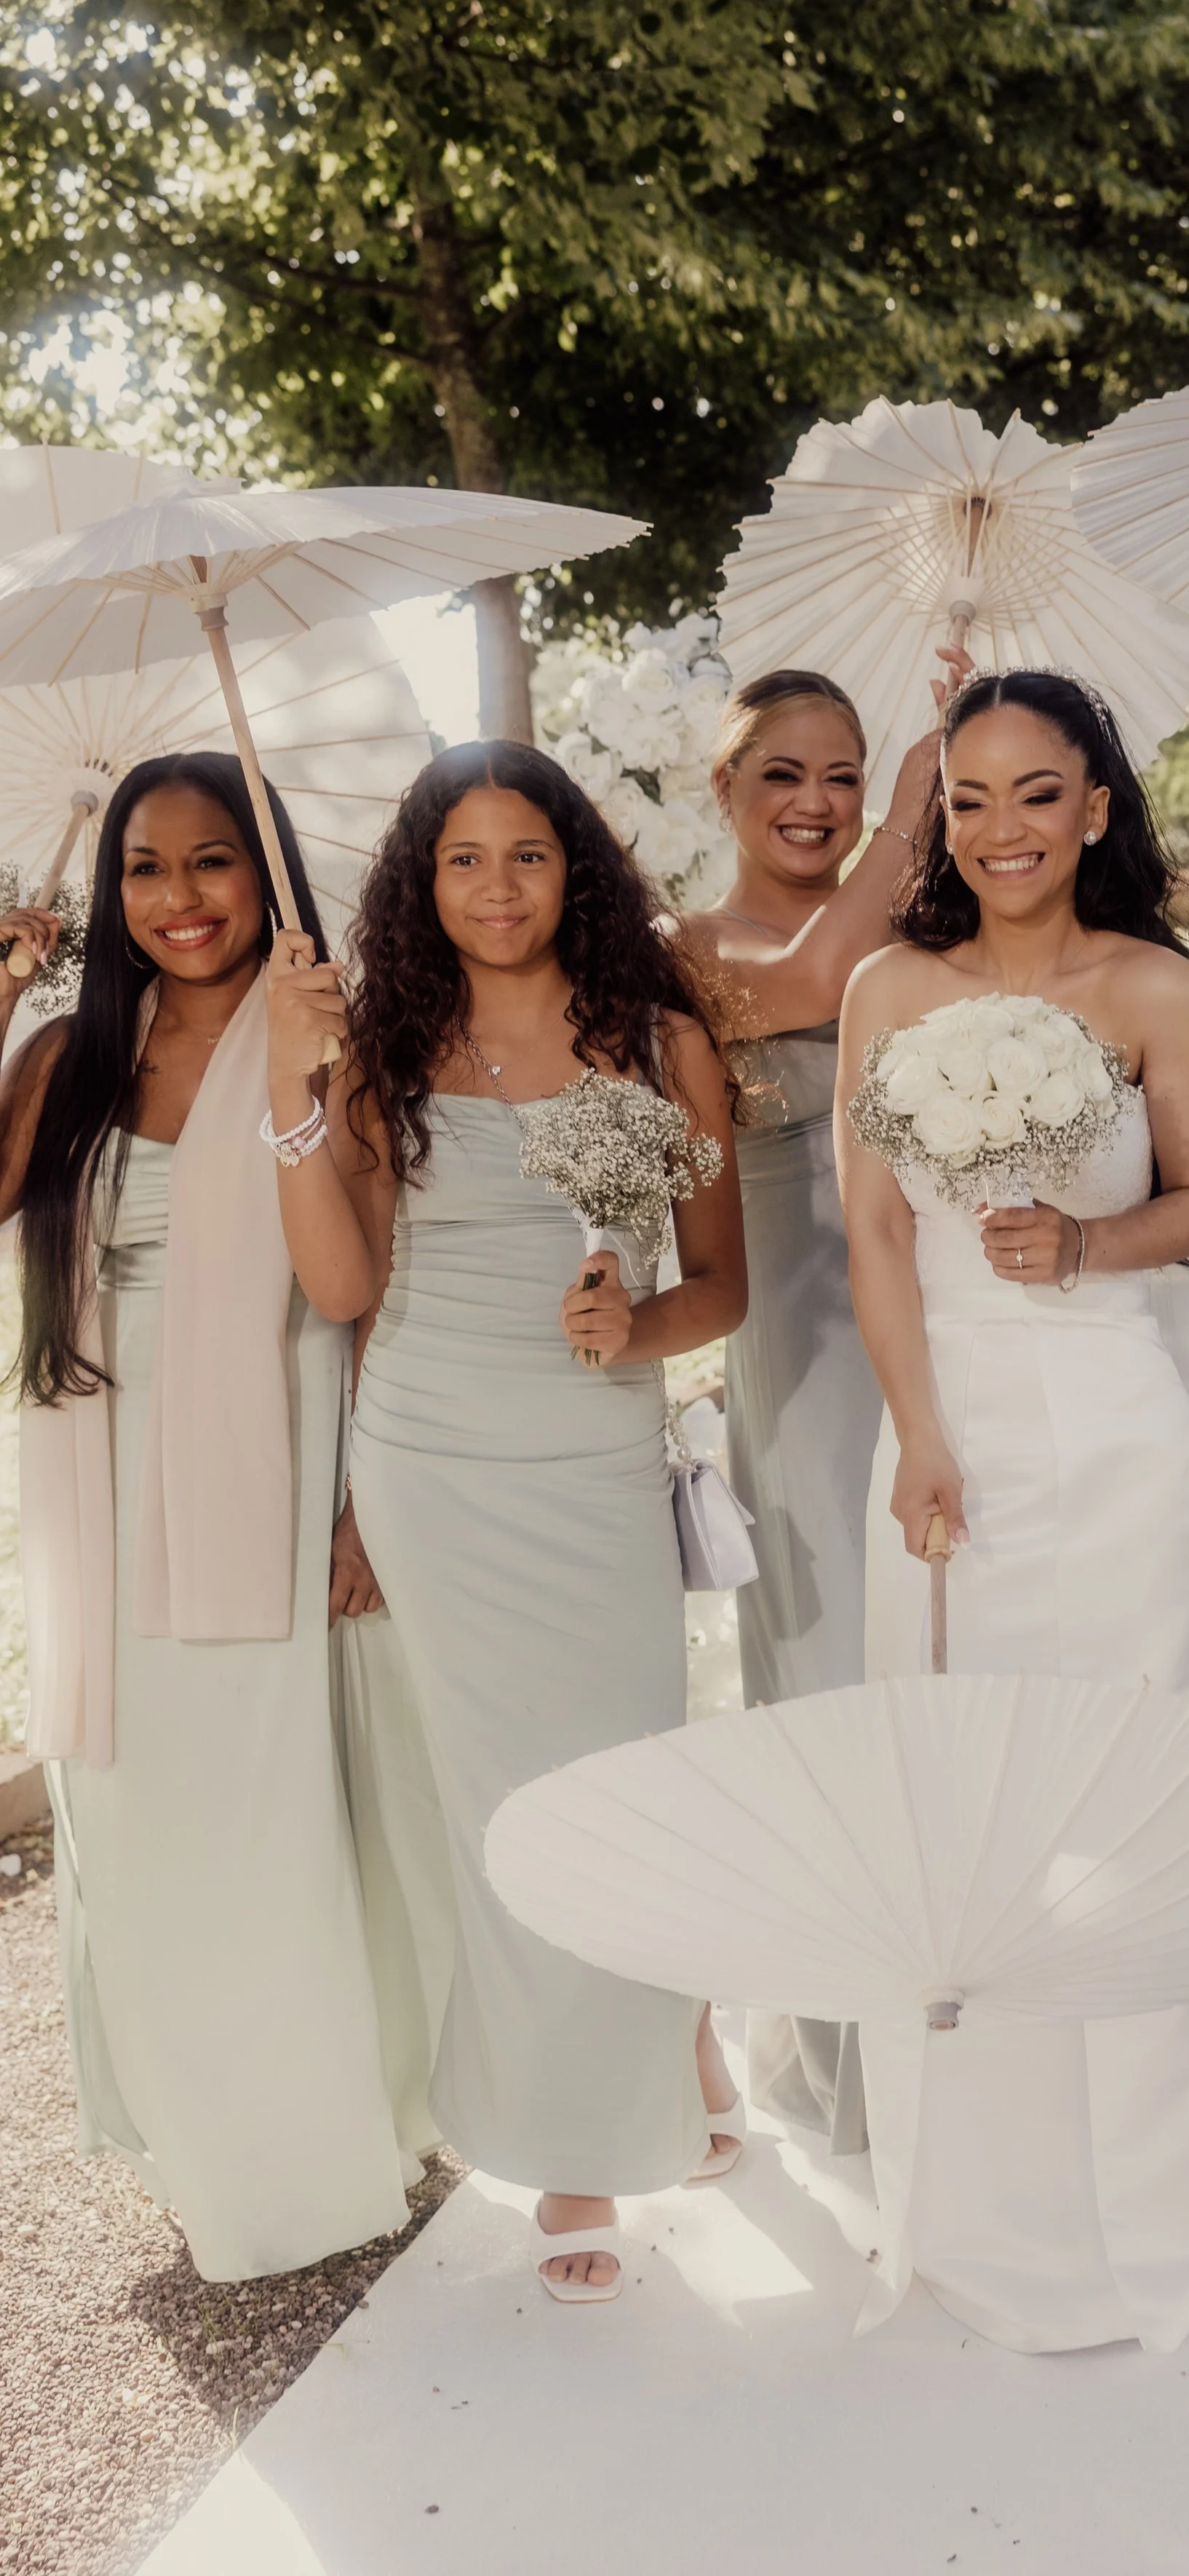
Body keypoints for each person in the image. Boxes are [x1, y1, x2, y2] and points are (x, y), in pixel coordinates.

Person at [833, 668, 1189, 2354]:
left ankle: (1160, 2200)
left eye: (1036, 793)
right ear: (937, 812)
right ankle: (978, 2204)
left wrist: (1087, 1244)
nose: (1000, 828)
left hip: (1109, 1423)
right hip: (951, 1426)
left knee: (1127, 1783)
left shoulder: (1153, 985)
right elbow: (875, 1234)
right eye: (967, 797)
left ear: (1096, 805)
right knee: (961, 1802)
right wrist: (915, 1435)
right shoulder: (889, 980)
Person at [290, 741, 747, 2303]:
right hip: (429, 1456)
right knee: (502, 1805)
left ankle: (672, 2017)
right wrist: (353, 1500)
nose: (496, 889)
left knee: (621, 1774)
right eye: (463, 861)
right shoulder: (377, 1047)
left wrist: (641, 1325)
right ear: (423, 886)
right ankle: (572, 2141)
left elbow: (723, 1283)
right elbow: (348, 1294)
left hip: (590, 1453)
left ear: (579, 871)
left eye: (526, 856)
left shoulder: (654, 1045)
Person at [4, 752, 429, 2280]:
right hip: (96, 1481)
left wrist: (359, 1510)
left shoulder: (331, 1037)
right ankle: (204, 2138)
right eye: (145, 869)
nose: (178, 899)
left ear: (265, 876)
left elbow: (353, 1293)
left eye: (211, 862)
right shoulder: (63, 1056)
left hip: (273, 1456)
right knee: (132, 1823)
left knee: (269, 1820)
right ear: (107, 896)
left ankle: (314, 2146)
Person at [683, 661, 958, 2149]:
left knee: (946, 1632)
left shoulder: (918, 910)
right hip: (792, 1332)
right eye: (782, 774)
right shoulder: (685, 943)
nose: (815, 803)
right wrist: (911, 816)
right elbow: (805, 989)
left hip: (939, 1306)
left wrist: (955, 801)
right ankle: (853, 2046)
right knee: (829, 1640)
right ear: (722, 790)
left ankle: (970, 2009)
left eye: (844, 774)